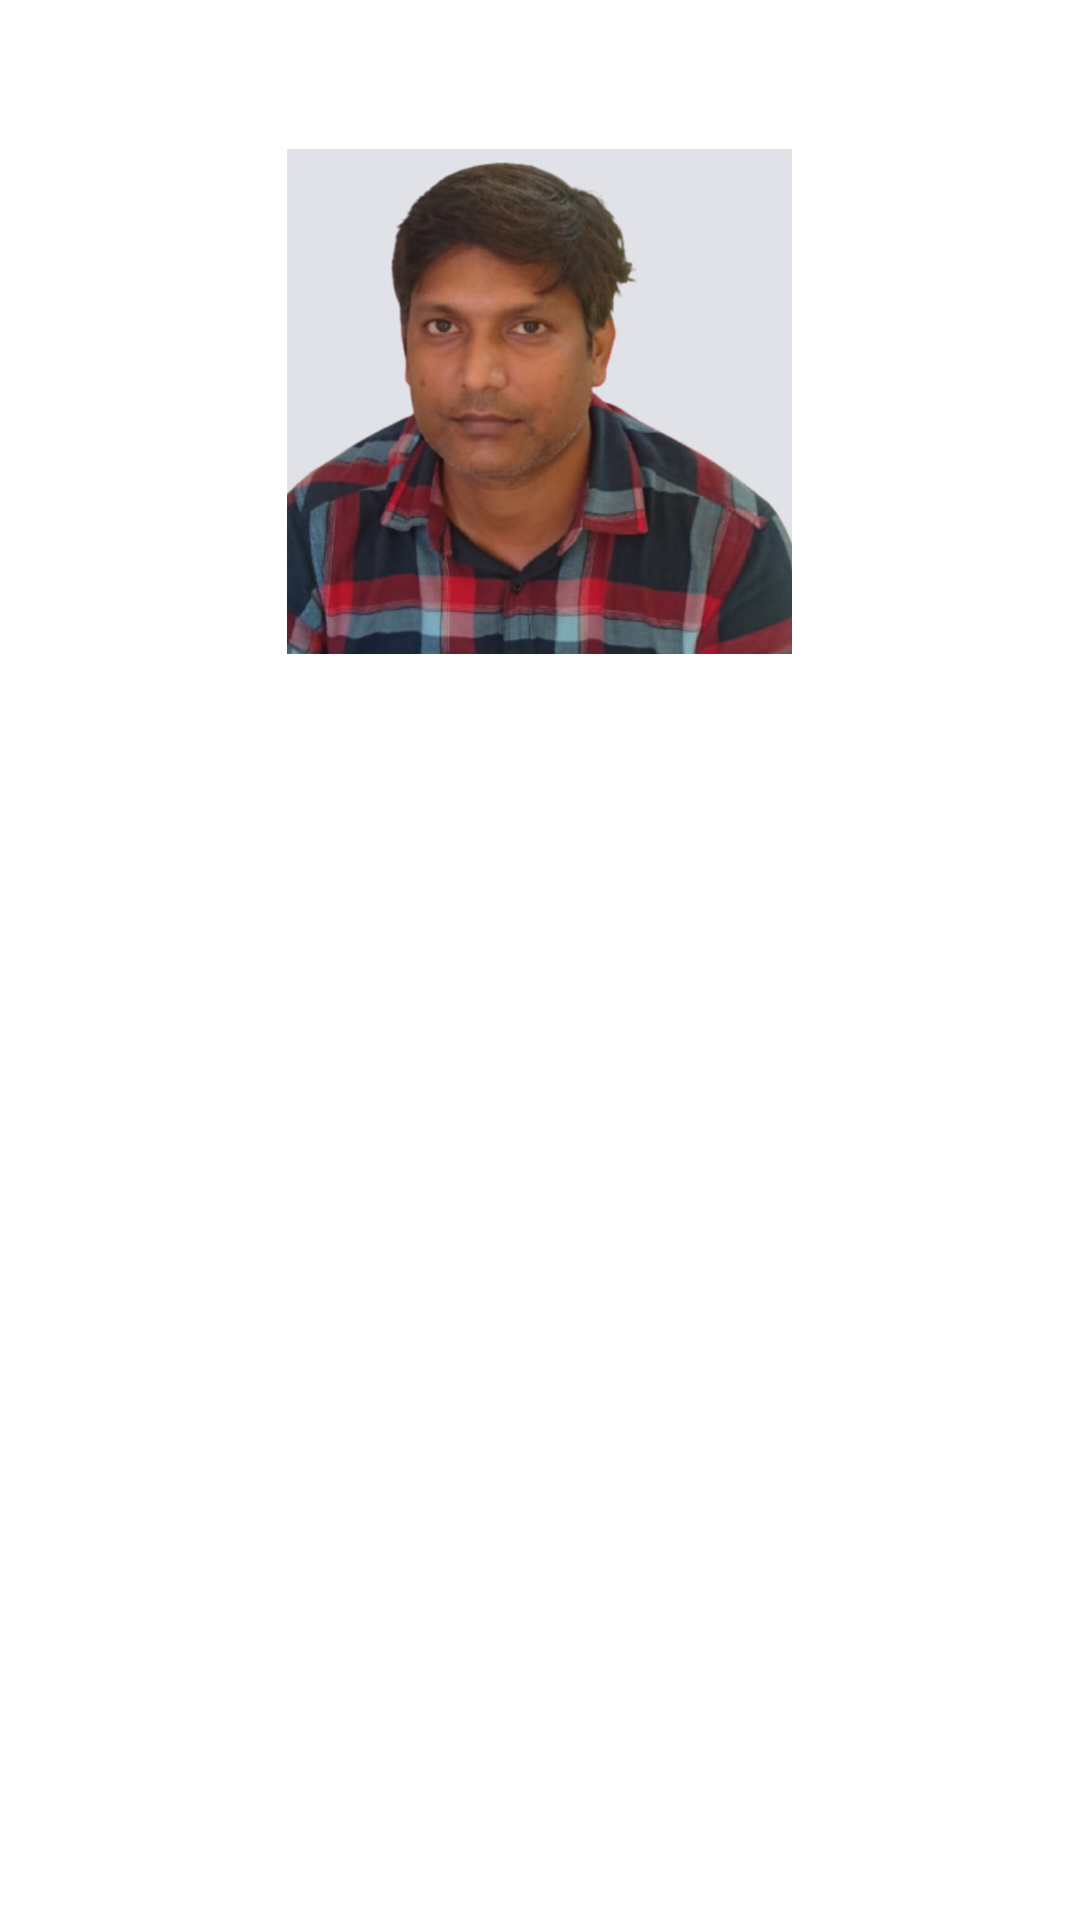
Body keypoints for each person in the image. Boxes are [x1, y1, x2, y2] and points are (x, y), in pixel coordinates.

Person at [287, 163, 791, 655]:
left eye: (528, 328)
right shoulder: (316, 530)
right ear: (405, 344)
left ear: (598, 349)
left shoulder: (728, 544)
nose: (478, 375)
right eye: (443, 327)